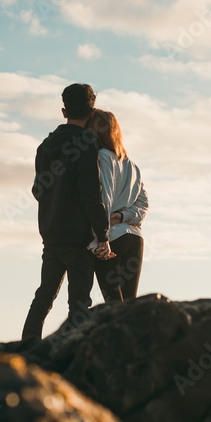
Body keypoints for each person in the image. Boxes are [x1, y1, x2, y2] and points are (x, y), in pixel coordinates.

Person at [21, 84, 112, 341]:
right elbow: (90, 192)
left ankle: (27, 349)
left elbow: (38, 190)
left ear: (64, 111)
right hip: (78, 236)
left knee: (44, 296)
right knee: (80, 302)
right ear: (92, 112)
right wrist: (102, 234)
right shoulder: (87, 142)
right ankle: (71, 352)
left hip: (50, 233)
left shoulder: (44, 146)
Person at [86, 109, 148, 303]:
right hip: (135, 239)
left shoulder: (103, 157)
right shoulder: (131, 165)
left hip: (112, 238)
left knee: (114, 304)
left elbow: (104, 197)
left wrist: (98, 240)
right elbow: (143, 204)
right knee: (129, 303)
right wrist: (124, 216)